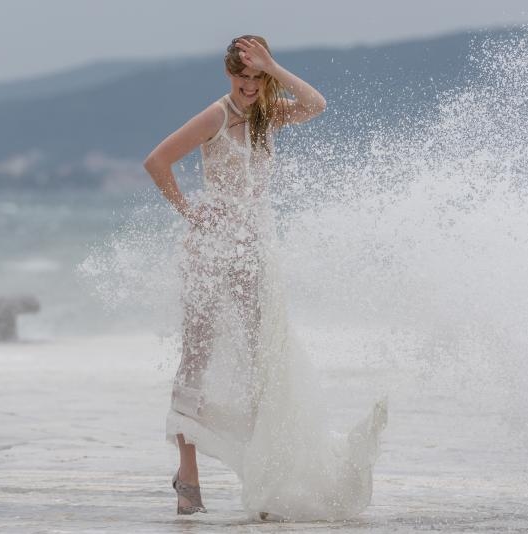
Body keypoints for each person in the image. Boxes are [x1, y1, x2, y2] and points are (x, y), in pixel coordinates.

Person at [143, 35, 387, 522]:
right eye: (243, 76)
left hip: (254, 256)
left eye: (257, 77)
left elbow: (316, 104)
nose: (250, 86)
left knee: (263, 363)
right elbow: (157, 161)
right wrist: (191, 213)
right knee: (198, 358)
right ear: (228, 74)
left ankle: (265, 477)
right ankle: (187, 474)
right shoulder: (216, 116)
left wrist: (274, 66)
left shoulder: (267, 116)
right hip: (211, 255)